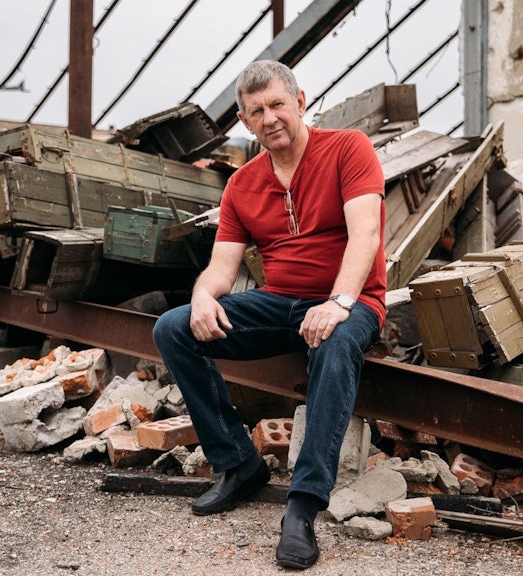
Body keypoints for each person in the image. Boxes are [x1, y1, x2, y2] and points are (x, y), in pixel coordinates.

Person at [152, 60, 386, 569]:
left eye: (278, 104)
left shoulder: (349, 148)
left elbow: (365, 233)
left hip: (354, 300)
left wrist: (338, 302)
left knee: (336, 339)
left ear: (300, 102)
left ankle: (302, 507)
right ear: (244, 120)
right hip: (280, 304)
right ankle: (239, 464)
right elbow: (221, 266)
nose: (270, 117)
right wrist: (202, 298)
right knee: (172, 328)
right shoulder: (241, 184)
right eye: (257, 111)